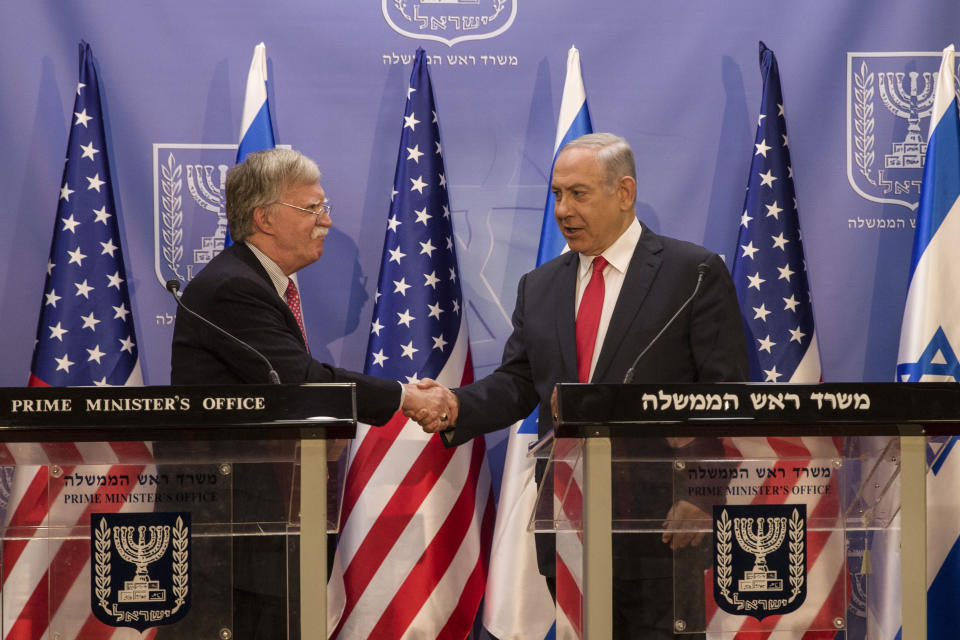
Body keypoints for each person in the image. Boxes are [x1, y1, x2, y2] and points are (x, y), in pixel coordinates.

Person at [417, 133, 748, 638]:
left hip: (664, 524)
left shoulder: (693, 273)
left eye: (578, 193)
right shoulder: (542, 284)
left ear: (625, 192)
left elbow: (726, 396)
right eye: (556, 195)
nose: (563, 210)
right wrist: (454, 406)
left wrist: (702, 496)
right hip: (568, 520)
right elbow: (519, 380)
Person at [169, 148, 447, 638]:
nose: (325, 221)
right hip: (231, 541)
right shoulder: (233, 288)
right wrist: (404, 397)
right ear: (264, 218)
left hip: (263, 534)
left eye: (325, 207)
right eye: (312, 208)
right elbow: (298, 382)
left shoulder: (259, 283)